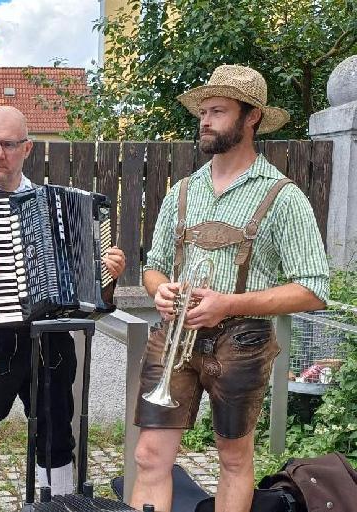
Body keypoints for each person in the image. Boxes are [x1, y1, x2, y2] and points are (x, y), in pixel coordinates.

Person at [130, 65, 329, 512]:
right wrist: (159, 290)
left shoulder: (283, 196)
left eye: (217, 111)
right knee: (148, 456)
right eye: (202, 112)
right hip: (175, 337)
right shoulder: (182, 190)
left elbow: (315, 288)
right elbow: (153, 266)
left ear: (251, 117)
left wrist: (230, 304)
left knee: (234, 459)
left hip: (242, 341)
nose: (205, 120)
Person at [0, 106, 126, 512]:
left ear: (26, 148)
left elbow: (81, 282)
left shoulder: (50, 202)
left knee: (57, 436)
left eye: (9, 145)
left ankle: (61, 506)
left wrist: (106, 271)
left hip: (49, 338)